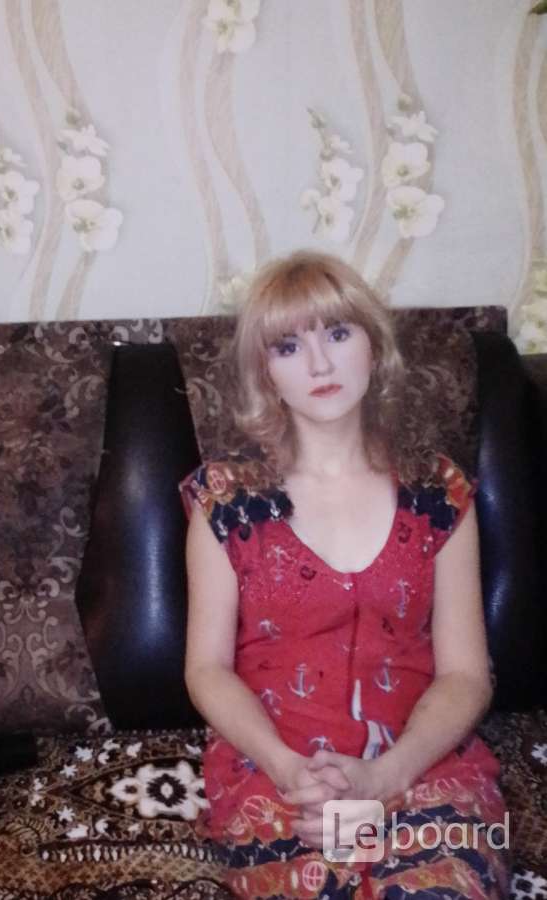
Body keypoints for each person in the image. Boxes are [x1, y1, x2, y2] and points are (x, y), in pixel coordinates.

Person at [178, 251, 510, 900]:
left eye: (336, 333)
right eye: (287, 346)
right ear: (265, 373)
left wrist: (385, 778)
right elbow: (206, 669)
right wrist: (289, 771)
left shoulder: (439, 494)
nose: (319, 364)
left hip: (421, 765)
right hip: (281, 773)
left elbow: (466, 675)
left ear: (374, 347)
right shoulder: (226, 501)